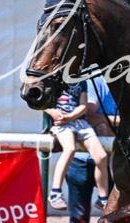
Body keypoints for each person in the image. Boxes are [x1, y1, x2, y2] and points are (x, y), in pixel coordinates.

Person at [64, 76, 130, 223]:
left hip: (115, 162)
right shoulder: (96, 82)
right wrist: (123, 121)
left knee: (121, 215)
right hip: (83, 159)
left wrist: (105, 121)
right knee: (79, 215)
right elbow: (91, 117)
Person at [45, 82, 109, 211]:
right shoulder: (53, 78)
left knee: (101, 156)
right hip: (61, 124)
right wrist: (55, 113)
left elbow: (83, 106)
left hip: (79, 122)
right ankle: (55, 192)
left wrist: (70, 116)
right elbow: (42, 103)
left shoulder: (81, 81)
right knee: (70, 149)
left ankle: (103, 199)